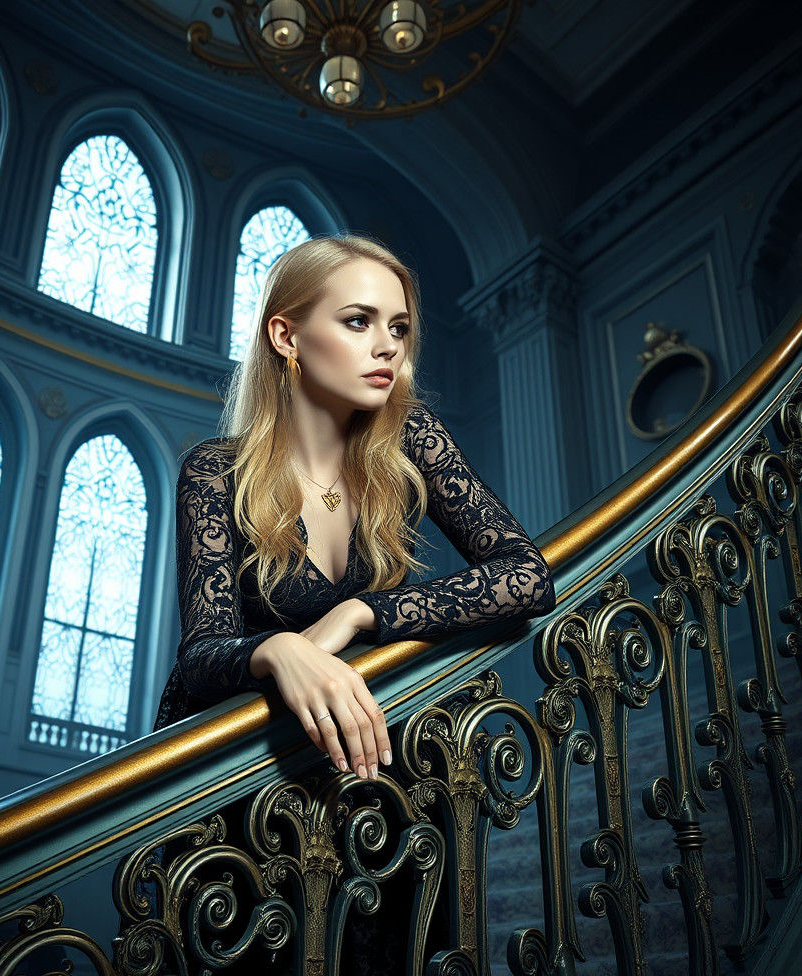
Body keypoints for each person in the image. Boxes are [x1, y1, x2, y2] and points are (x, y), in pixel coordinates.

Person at [151, 233, 556, 778]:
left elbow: (527, 577)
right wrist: (280, 650)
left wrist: (361, 612)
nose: (389, 346)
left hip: (367, 756)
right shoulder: (217, 471)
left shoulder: (410, 441)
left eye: (399, 328)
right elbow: (200, 659)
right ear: (286, 335)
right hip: (240, 765)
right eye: (358, 321)